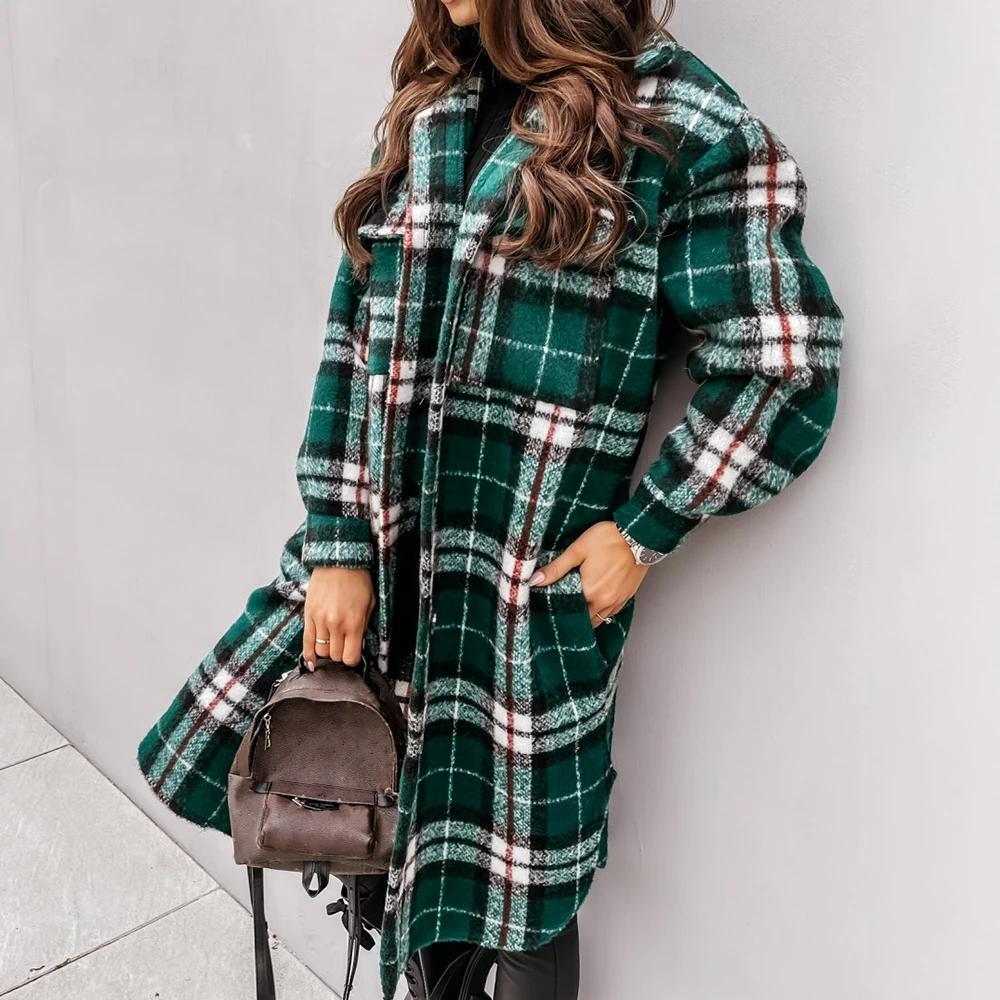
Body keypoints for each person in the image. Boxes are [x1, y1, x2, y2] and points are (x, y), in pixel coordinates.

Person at [138, 2, 844, 998]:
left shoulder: (680, 125)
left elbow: (787, 364)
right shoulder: (437, 104)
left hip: (518, 607)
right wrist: (338, 540)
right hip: (384, 576)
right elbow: (352, 338)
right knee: (392, 847)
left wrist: (643, 530)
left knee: (521, 895)